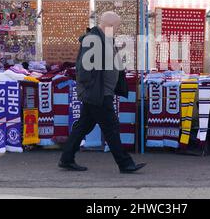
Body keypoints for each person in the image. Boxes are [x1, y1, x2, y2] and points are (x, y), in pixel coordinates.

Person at [58, 11, 146, 174]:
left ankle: (66, 158)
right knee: (111, 128)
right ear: (109, 25)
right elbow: (84, 71)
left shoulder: (103, 38)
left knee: (83, 126)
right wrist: (94, 90)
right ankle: (125, 163)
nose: (117, 31)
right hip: (98, 94)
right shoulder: (93, 40)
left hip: (99, 92)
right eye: (117, 27)